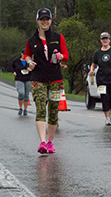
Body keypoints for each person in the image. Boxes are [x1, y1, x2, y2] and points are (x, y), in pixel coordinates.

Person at [24, 8, 69, 154]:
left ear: (51, 21)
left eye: (47, 19)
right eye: (42, 19)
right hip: (38, 78)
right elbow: (27, 55)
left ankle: (50, 142)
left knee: (54, 111)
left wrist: (61, 57)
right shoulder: (31, 40)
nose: (45, 22)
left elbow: (66, 55)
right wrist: (29, 62)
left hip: (56, 78)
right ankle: (42, 142)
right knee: (41, 108)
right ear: (37, 20)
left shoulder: (58, 37)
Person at [12, 49, 31, 116]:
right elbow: (13, 67)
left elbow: (34, 69)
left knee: (26, 95)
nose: (25, 56)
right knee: (21, 92)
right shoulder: (16, 61)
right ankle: (20, 108)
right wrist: (14, 72)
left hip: (27, 79)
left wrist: (30, 69)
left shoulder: (29, 62)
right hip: (19, 79)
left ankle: (25, 109)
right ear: (21, 54)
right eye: (24, 54)